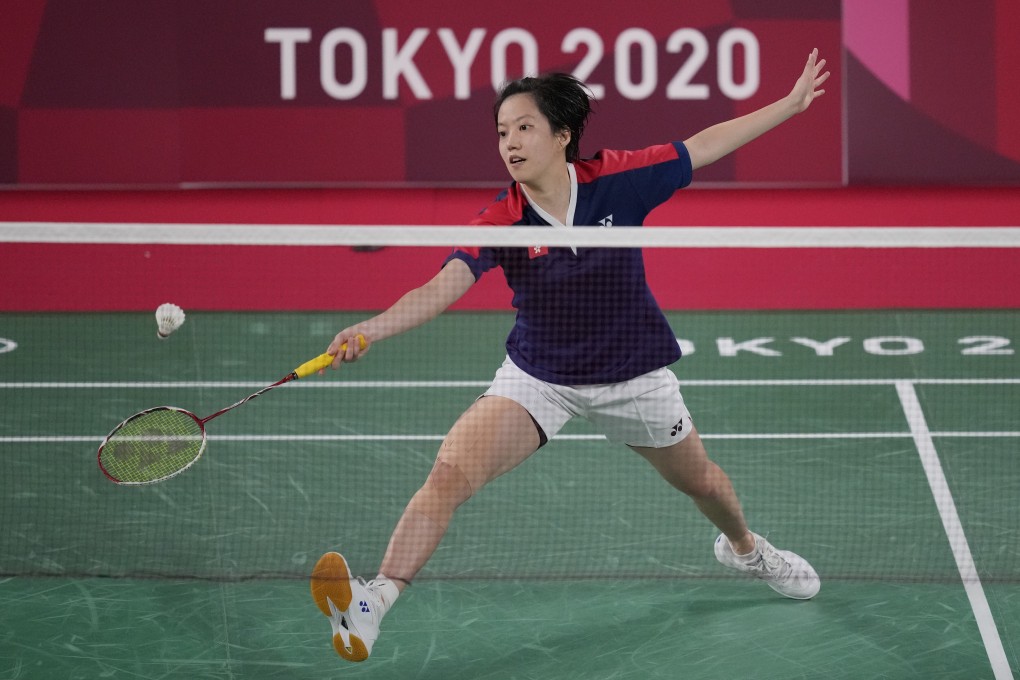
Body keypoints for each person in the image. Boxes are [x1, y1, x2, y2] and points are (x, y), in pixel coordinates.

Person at [310, 48, 830, 662]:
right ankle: (374, 603)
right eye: (502, 132)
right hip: (541, 376)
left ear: (562, 135)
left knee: (704, 483)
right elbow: (440, 287)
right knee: (448, 474)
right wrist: (374, 327)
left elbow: (704, 144)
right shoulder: (501, 221)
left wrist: (790, 105)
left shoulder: (620, 179)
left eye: (524, 127)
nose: (510, 142)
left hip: (633, 376)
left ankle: (746, 549)